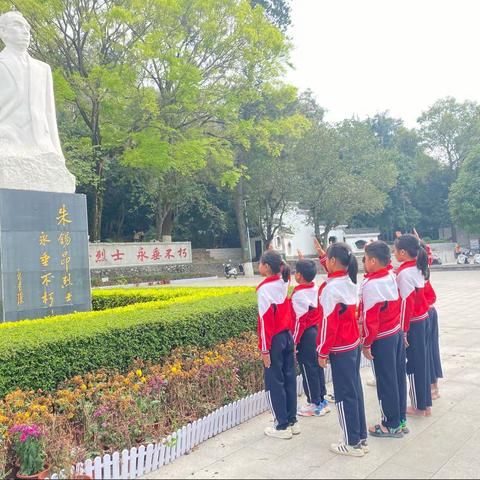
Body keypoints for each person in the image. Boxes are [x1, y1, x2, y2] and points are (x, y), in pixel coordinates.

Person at [316, 243, 367, 457]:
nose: (325, 261)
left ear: (333, 261)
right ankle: (360, 436)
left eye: (327, 258)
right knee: (354, 390)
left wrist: (322, 351)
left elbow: (328, 324)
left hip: (340, 348)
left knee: (345, 394)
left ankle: (351, 442)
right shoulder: (349, 281)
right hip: (352, 344)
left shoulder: (331, 289)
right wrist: (323, 253)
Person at [360, 241, 407, 438]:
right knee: (397, 378)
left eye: (365, 259)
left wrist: (366, 343)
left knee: (386, 381)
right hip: (395, 332)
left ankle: (390, 424)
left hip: (382, 338)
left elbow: (371, 319)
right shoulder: (390, 275)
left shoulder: (371, 285)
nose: (363, 263)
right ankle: (400, 420)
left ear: (372, 261)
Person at [257, 250, 299, 439]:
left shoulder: (264, 290)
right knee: (289, 379)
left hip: (274, 340)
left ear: (266, 267)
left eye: (260, 262)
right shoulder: (284, 282)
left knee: (275, 382)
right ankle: (292, 420)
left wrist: (264, 349)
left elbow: (265, 322)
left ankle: (281, 426)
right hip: (287, 336)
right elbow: (285, 271)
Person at [394, 234, 432, 417]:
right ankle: (425, 404)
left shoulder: (404, 273)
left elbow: (405, 305)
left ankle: (418, 406)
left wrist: (403, 331)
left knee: (414, 365)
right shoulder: (417, 267)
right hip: (423, 319)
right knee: (422, 362)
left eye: (395, 250)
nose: (394, 254)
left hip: (413, 323)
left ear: (402, 252)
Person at [292, 258, 330, 417]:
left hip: (306, 335)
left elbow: (299, 321)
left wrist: (294, 341)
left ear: (299, 275)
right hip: (316, 331)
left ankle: (313, 403)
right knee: (317, 367)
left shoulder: (298, 294)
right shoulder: (315, 288)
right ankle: (321, 400)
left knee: (308, 369)